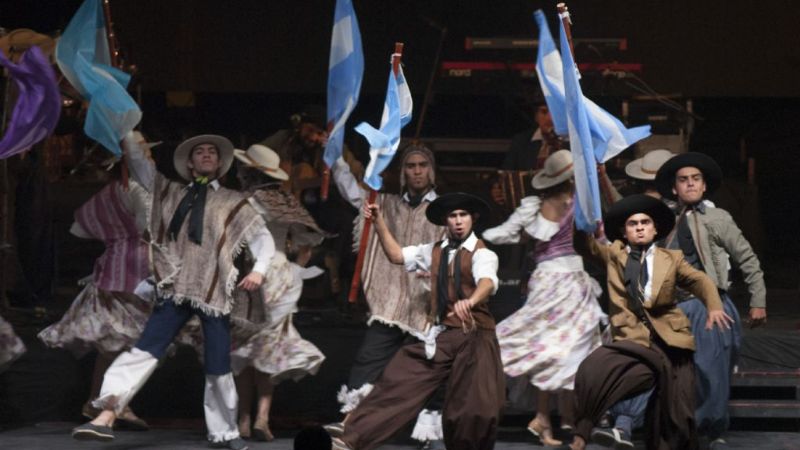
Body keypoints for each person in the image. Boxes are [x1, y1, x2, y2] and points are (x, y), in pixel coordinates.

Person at [71, 132, 275, 450]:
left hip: (213, 292)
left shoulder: (235, 202)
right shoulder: (169, 193)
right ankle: (105, 415)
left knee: (218, 363)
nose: (206, 154)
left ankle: (226, 432)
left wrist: (259, 270)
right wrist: (127, 132)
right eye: (199, 152)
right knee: (144, 350)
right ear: (190, 164)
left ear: (220, 163)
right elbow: (141, 167)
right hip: (174, 287)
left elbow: (263, 238)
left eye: (212, 152)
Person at [558, 194, 732, 450]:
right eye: (633, 223)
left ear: (655, 228)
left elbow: (701, 281)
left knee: (678, 414)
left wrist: (714, 306)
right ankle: (588, 434)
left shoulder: (672, 259)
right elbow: (584, 245)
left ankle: (641, 436)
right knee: (595, 372)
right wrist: (582, 221)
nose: (639, 227)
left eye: (645, 222)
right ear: (624, 232)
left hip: (671, 341)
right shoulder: (613, 256)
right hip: (633, 338)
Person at [177, 144, 327, 441]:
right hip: (282, 275)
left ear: (248, 172)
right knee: (265, 348)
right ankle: (262, 418)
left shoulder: (242, 202)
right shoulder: (287, 201)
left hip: (252, 275)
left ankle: (244, 419)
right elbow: (309, 240)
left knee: (244, 351)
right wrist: (294, 266)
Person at [332, 193, 505, 450]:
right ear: (446, 221)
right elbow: (396, 255)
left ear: (473, 219)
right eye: (453, 216)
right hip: (443, 335)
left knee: (475, 410)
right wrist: (379, 221)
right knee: (399, 380)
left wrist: (470, 301)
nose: (458, 221)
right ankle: (349, 440)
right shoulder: (434, 251)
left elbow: (487, 282)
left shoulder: (483, 254)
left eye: (463, 215)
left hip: (475, 336)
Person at [483, 150, 605, 446]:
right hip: (564, 282)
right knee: (559, 349)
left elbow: (501, 234)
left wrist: (497, 236)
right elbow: (600, 240)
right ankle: (549, 417)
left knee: (558, 349)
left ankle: (555, 416)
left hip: (560, 280)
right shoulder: (579, 205)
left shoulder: (540, 206)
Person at [328, 144, 446, 446]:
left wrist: (437, 273)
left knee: (424, 372)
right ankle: (350, 426)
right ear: (403, 173)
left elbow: (455, 251)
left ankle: (427, 435)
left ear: (431, 171)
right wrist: (335, 154)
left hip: (425, 306)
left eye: (422, 165)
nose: (416, 171)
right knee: (367, 362)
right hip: (389, 301)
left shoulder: (444, 210)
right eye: (410, 166)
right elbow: (353, 193)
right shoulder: (385, 203)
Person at [39, 136, 157, 429]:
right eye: (144, 155)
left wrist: (114, 236)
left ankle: (97, 401)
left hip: (113, 264)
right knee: (133, 342)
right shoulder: (140, 192)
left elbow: (79, 228)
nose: (150, 160)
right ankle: (113, 403)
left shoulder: (109, 192)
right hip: (137, 266)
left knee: (114, 342)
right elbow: (148, 227)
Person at [655, 152, 766, 449]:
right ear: (674, 187)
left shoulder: (717, 218)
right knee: (667, 371)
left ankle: (712, 430)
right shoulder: (662, 218)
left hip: (708, 304)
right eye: (683, 180)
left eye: (695, 179)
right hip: (670, 306)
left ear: (704, 186)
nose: (690, 185)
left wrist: (759, 301)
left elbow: (747, 258)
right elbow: (625, 217)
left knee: (710, 369)